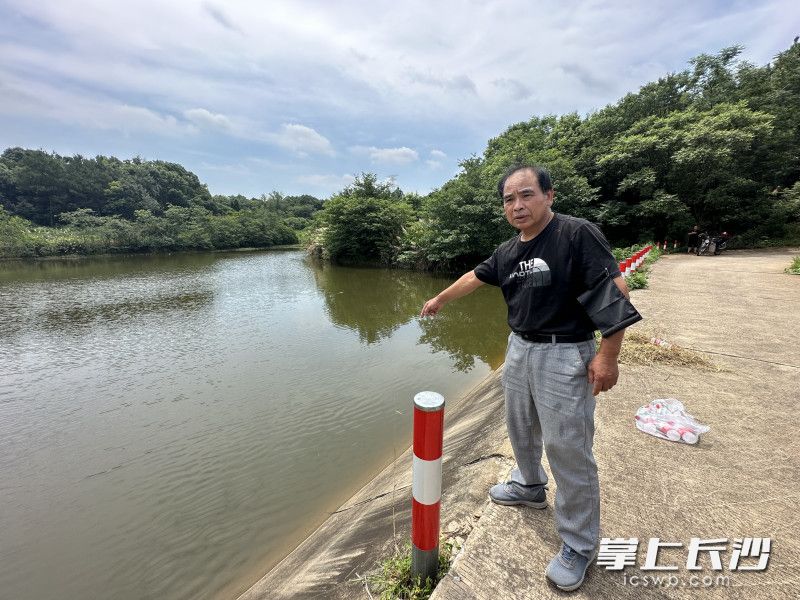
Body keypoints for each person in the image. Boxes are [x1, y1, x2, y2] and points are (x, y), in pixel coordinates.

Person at [420, 164, 641, 592]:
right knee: (519, 427)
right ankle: (529, 485)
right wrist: (440, 298)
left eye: (526, 195)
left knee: (568, 446)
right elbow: (475, 276)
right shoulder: (508, 252)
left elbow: (615, 291)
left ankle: (579, 544)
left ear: (549, 196)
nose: (517, 205)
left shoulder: (576, 234)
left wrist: (608, 355)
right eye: (509, 199)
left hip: (566, 351)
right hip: (520, 347)